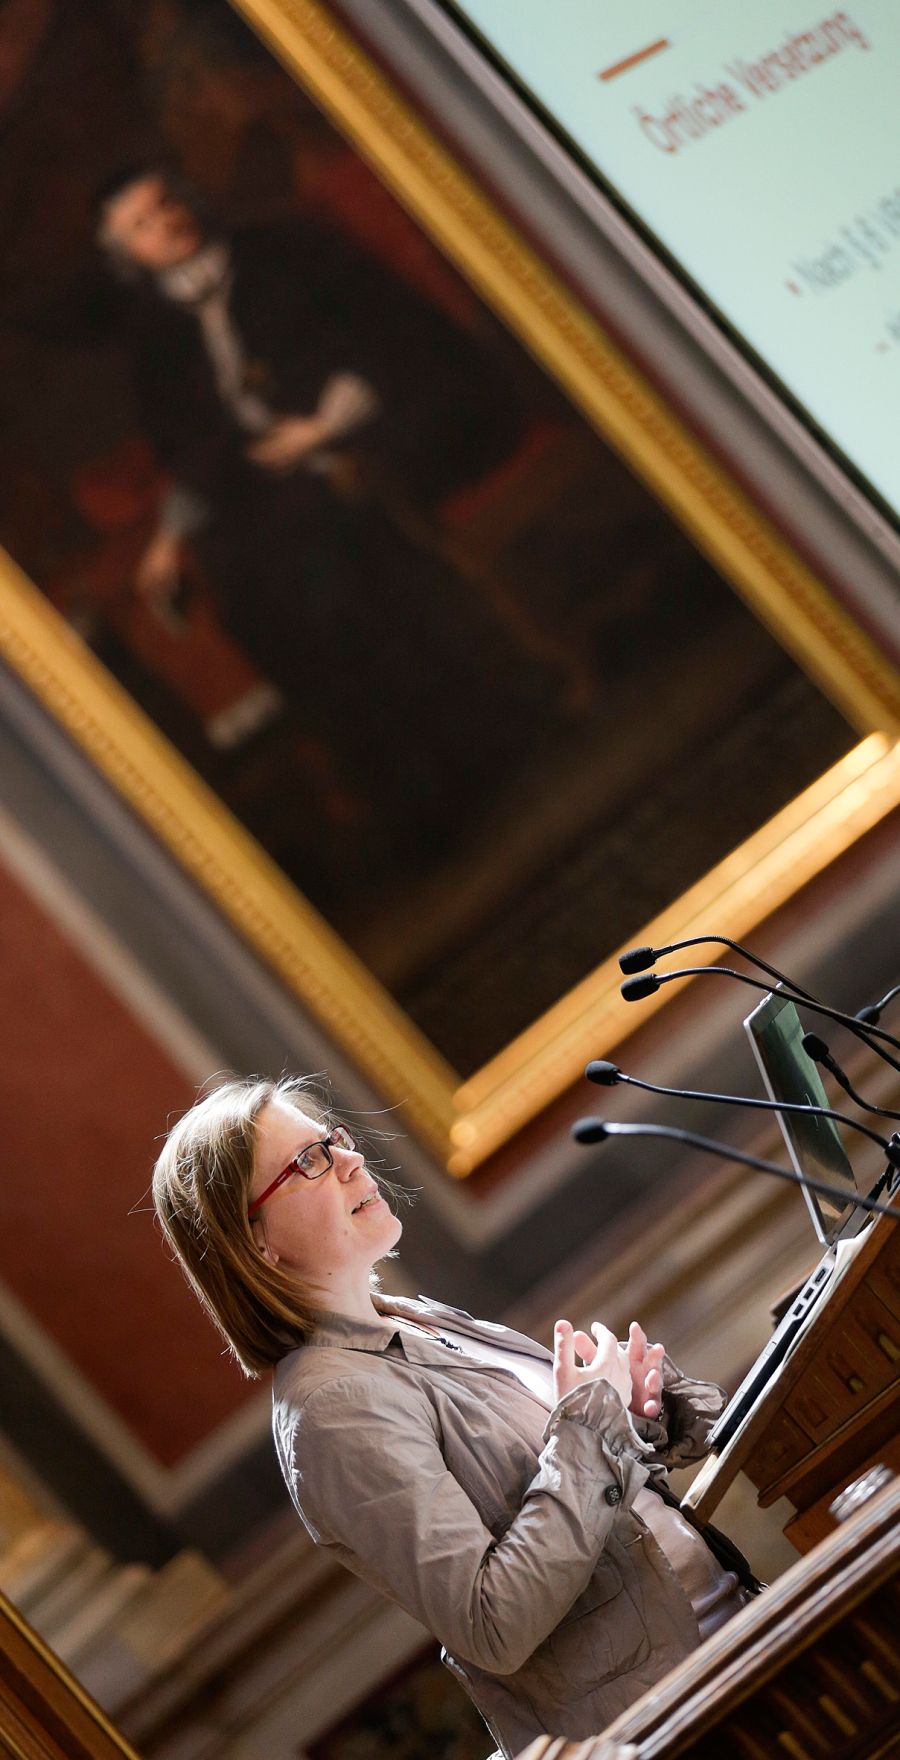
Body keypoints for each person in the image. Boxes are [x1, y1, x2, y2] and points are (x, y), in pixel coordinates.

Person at [152, 1076, 758, 1759]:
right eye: (308, 1163)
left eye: (333, 1141)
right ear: (254, 1242)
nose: (349, 1160)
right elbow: (492, 1622)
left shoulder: (416, 1320)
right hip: (659, 1725)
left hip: (729, 1650)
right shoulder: (330, 1409)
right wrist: (591, 1424)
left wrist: (639, 1411)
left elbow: (570, 1491)